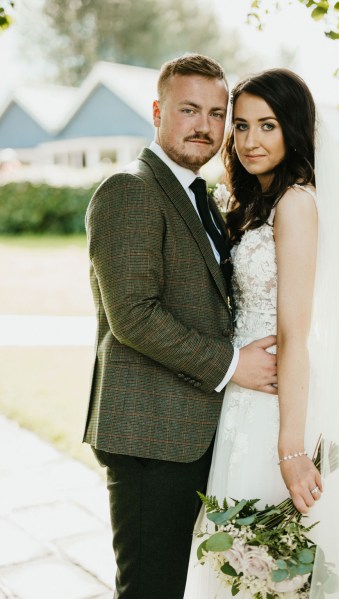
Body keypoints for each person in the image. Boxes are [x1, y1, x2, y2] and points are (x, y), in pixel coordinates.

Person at [183, 69, 339, 598]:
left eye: (268, 126)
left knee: (270, 562)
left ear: (294, 131)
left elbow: (295, 334)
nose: (250, 140)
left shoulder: (296, 204)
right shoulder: (254, 202)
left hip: (278, 406)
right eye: (241, 126)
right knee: (239, 564)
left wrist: (290, 448)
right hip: (242, 395)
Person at [83, 54, 278, 599]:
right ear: (157, 112)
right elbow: (134, 316)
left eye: (218, 114)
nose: (205, 127)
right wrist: (236, 364)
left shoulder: (201, 197)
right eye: (189, 110)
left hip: (199, 430)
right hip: (151, 434)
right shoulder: (130, 190)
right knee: (150, 589)